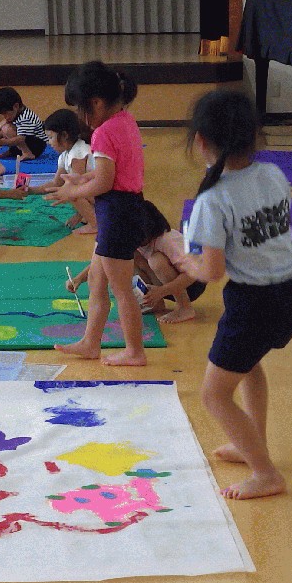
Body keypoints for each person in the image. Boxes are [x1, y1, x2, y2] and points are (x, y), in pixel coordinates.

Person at [178, 89, 292, 500]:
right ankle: (252, 443)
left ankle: (265, 473)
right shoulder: (273, 173)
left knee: (213, 395)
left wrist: (186, 263)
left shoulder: (212, 200)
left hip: (256, 303)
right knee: (249, 365)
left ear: (201, 140)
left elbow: (211, 272)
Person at [53, 62, 150, 367]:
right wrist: (82, 178)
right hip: (125, 208)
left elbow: (105, 182)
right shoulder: (125, 120)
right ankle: (90, 342)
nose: (80, 116)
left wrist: (73, 192)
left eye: (80, 108)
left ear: (95, 103)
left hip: (118, 212)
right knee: (97, 280)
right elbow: (115, 171)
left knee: (121, 290)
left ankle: (134, 351)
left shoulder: (103, 133)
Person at [131, 200, 205, 324]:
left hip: (193, 283)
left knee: (156, 260)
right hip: (165, 285)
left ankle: (184, 307)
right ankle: (154, 303)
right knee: (129, 255)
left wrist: (161, 291)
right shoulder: (138, 240)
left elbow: (194, 273)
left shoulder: (167, 240)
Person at [30, 108, 94, 233]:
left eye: (50, 137)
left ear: (64, 135)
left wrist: (79, 215)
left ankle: (94, 222)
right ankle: (92, 216)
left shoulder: (78, 151)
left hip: (101, 194)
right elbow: (56, 183)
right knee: (67, 189)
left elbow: (79, 186)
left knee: (70, 190)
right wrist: (30, 190)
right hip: (92, 194)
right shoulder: (65, 155)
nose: (49, 142)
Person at [0, 87, 49, 161]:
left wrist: (1, 142)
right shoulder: (17, 113)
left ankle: (27, 153)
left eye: (5, 113)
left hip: (36, 145)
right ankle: (14, 151)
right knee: (4, 124)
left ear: (16, 106)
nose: (5, 116)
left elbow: (20, 139)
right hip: (27, 140)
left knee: (7, 128)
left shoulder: (26, 118)